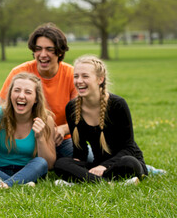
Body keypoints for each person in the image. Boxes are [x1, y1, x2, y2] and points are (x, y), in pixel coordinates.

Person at [54, 55, 148, 185]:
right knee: (61, 163)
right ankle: (108, 183)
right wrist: (73, 167)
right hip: (97, 164)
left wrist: (103, 167)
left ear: (100, 79)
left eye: (85, 76)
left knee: (129, 162)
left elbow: (129, 147)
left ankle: (85, 181)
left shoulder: (117, 104)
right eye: (76, 76)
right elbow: (80, 151)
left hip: (123, 162)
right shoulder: (72, 108)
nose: (79, 81)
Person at [0, 23, 77, 159]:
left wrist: (63, 129)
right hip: (27, 140)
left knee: (89, 159)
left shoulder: (72, 75)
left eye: (49, 49)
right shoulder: (19, 72)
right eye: (38, 49)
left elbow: (81, 117)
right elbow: (1, 109)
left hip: (60, 139)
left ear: (59, 52)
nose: (43, 54)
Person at [0, 73, 56, 188]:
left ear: (36, 99)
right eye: (17, 90)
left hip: (28, 171)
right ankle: (16, 184)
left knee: (40, 162)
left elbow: (48, 164)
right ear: (10, 95)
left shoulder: (45, 119)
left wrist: (40, 138)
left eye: (28, 92)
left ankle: (2, 184)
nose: (21, 96)